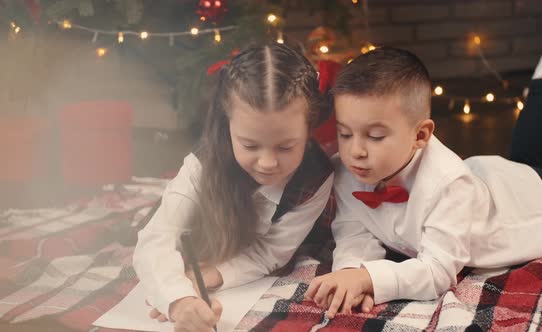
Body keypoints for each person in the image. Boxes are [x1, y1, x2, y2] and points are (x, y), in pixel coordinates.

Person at [304, 47, 542, 319]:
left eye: (376, 136)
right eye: (345, 133)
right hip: (489, 175)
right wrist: (352, 272)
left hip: (526, 198)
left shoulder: (449, 184)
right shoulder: (346, 170)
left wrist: (370, 278)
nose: (355, 150)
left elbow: (438, 271)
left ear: (420, 134)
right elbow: (354, 231)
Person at [133, 43, 336, 332]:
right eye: (250, 145)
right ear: (228, 125)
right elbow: (157, 238)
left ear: (309, 129)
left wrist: (216, 273)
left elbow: (272, 252)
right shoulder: (202, 164)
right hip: (200, 241)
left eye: (287, 146)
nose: (267, 163)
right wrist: (178, 300)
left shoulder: (317, 177)